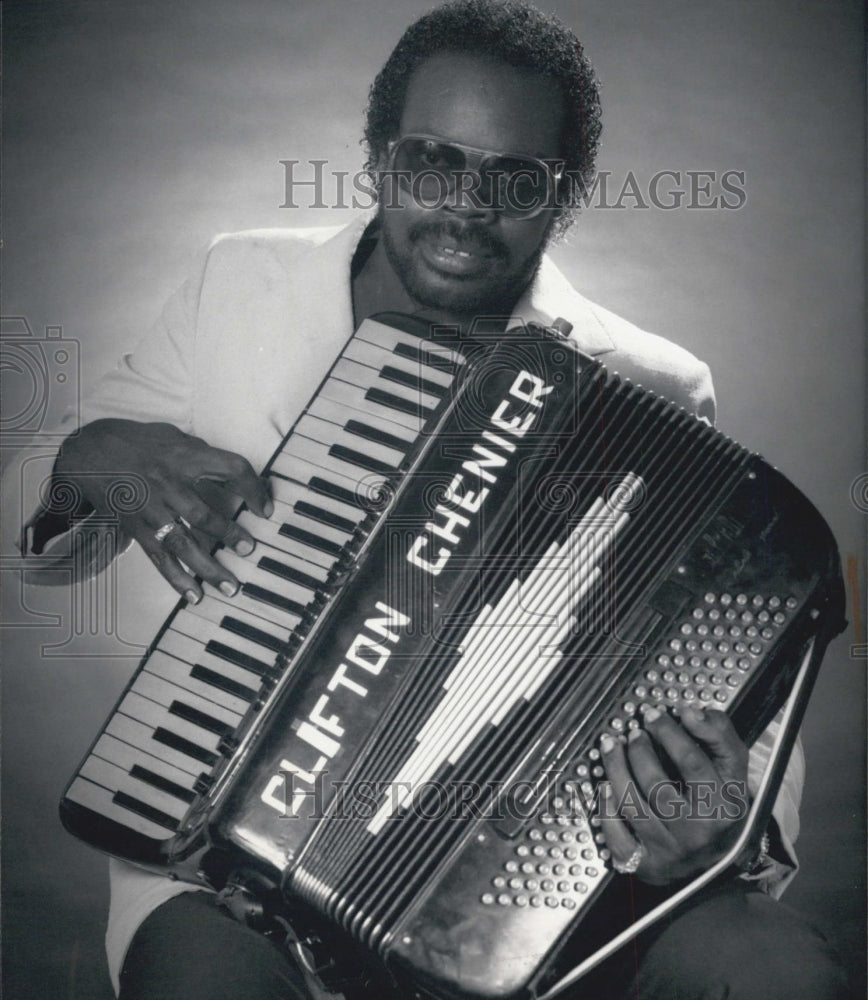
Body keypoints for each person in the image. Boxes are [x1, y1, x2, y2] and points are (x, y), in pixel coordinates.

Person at [5, 2, 849, 998]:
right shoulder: (235, 285)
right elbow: (41, 542)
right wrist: (90, 456)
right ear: (377, 159)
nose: (464, 206)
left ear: (564, 195)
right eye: (431, 163)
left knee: (767, 970)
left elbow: (737, 699)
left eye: (514, 180)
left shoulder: (655, 384)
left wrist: (716, 827)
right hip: (223, 871)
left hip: (513, 905)